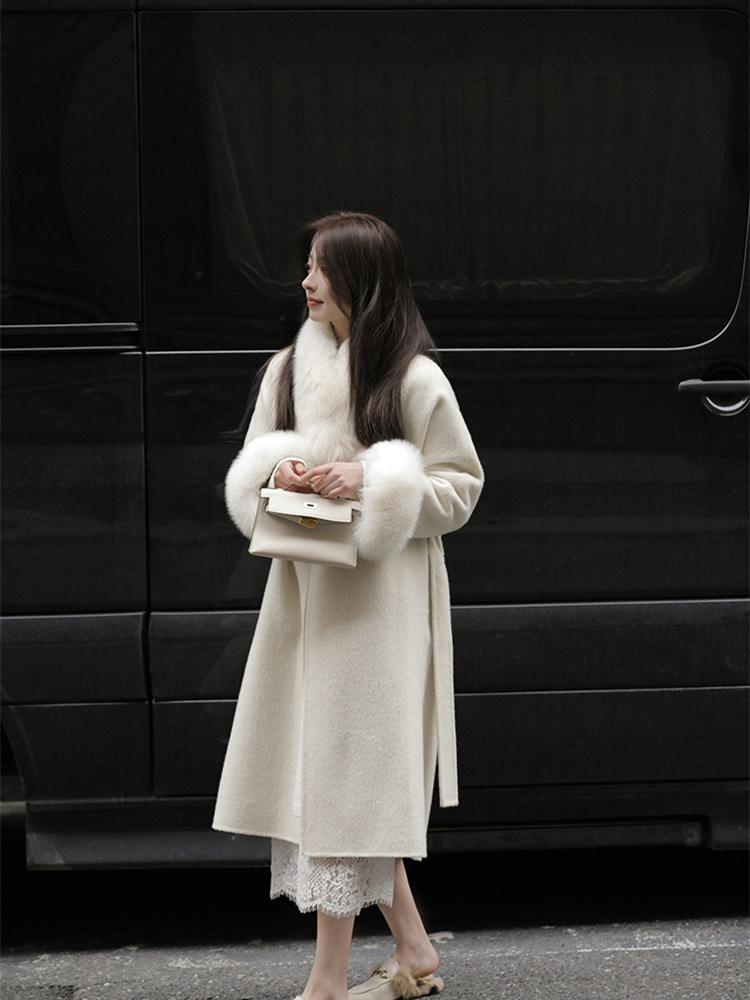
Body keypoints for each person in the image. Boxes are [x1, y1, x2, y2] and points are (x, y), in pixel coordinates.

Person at [213, 211, 483, 1000]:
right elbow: (251, 470)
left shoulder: (415, 379)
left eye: (320, 268)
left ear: (360, 281)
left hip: (381, 608)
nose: (305, 281)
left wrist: (372, 477)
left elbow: (460, 487)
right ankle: (415, 950)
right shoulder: (286, 371)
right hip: (304, 597)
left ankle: (327, 981)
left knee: (342, 779)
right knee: (344, 777)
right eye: (307, 265)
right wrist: (282, 472)